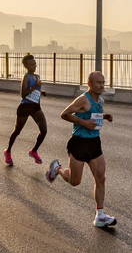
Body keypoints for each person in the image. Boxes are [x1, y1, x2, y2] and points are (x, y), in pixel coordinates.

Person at [46, 72, 116, 228]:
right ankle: (57, 169)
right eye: (98, 82)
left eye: (103, 82)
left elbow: (93, 115)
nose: (101, 85)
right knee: (75, 182)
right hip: (79, 143)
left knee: (101, 178)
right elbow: (64, 114)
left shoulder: (100, 99)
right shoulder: (83, 99)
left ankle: (100, 215)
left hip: (94, 143)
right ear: (89, 83)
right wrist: (83, 123)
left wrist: (104, 116)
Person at [4, 53, 47, 165]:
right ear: (26, 66)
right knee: (17, 131)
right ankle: (8, 151)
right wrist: (35, 86)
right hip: (25, 107)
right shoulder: (26, 77)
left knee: (44, 130)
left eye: (35, 63)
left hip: (36, 107)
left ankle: (34, 151)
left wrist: (41, 91)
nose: (34, 65)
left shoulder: (37, 77)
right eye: (31, 64)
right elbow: (23, 94)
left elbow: (35, 91)